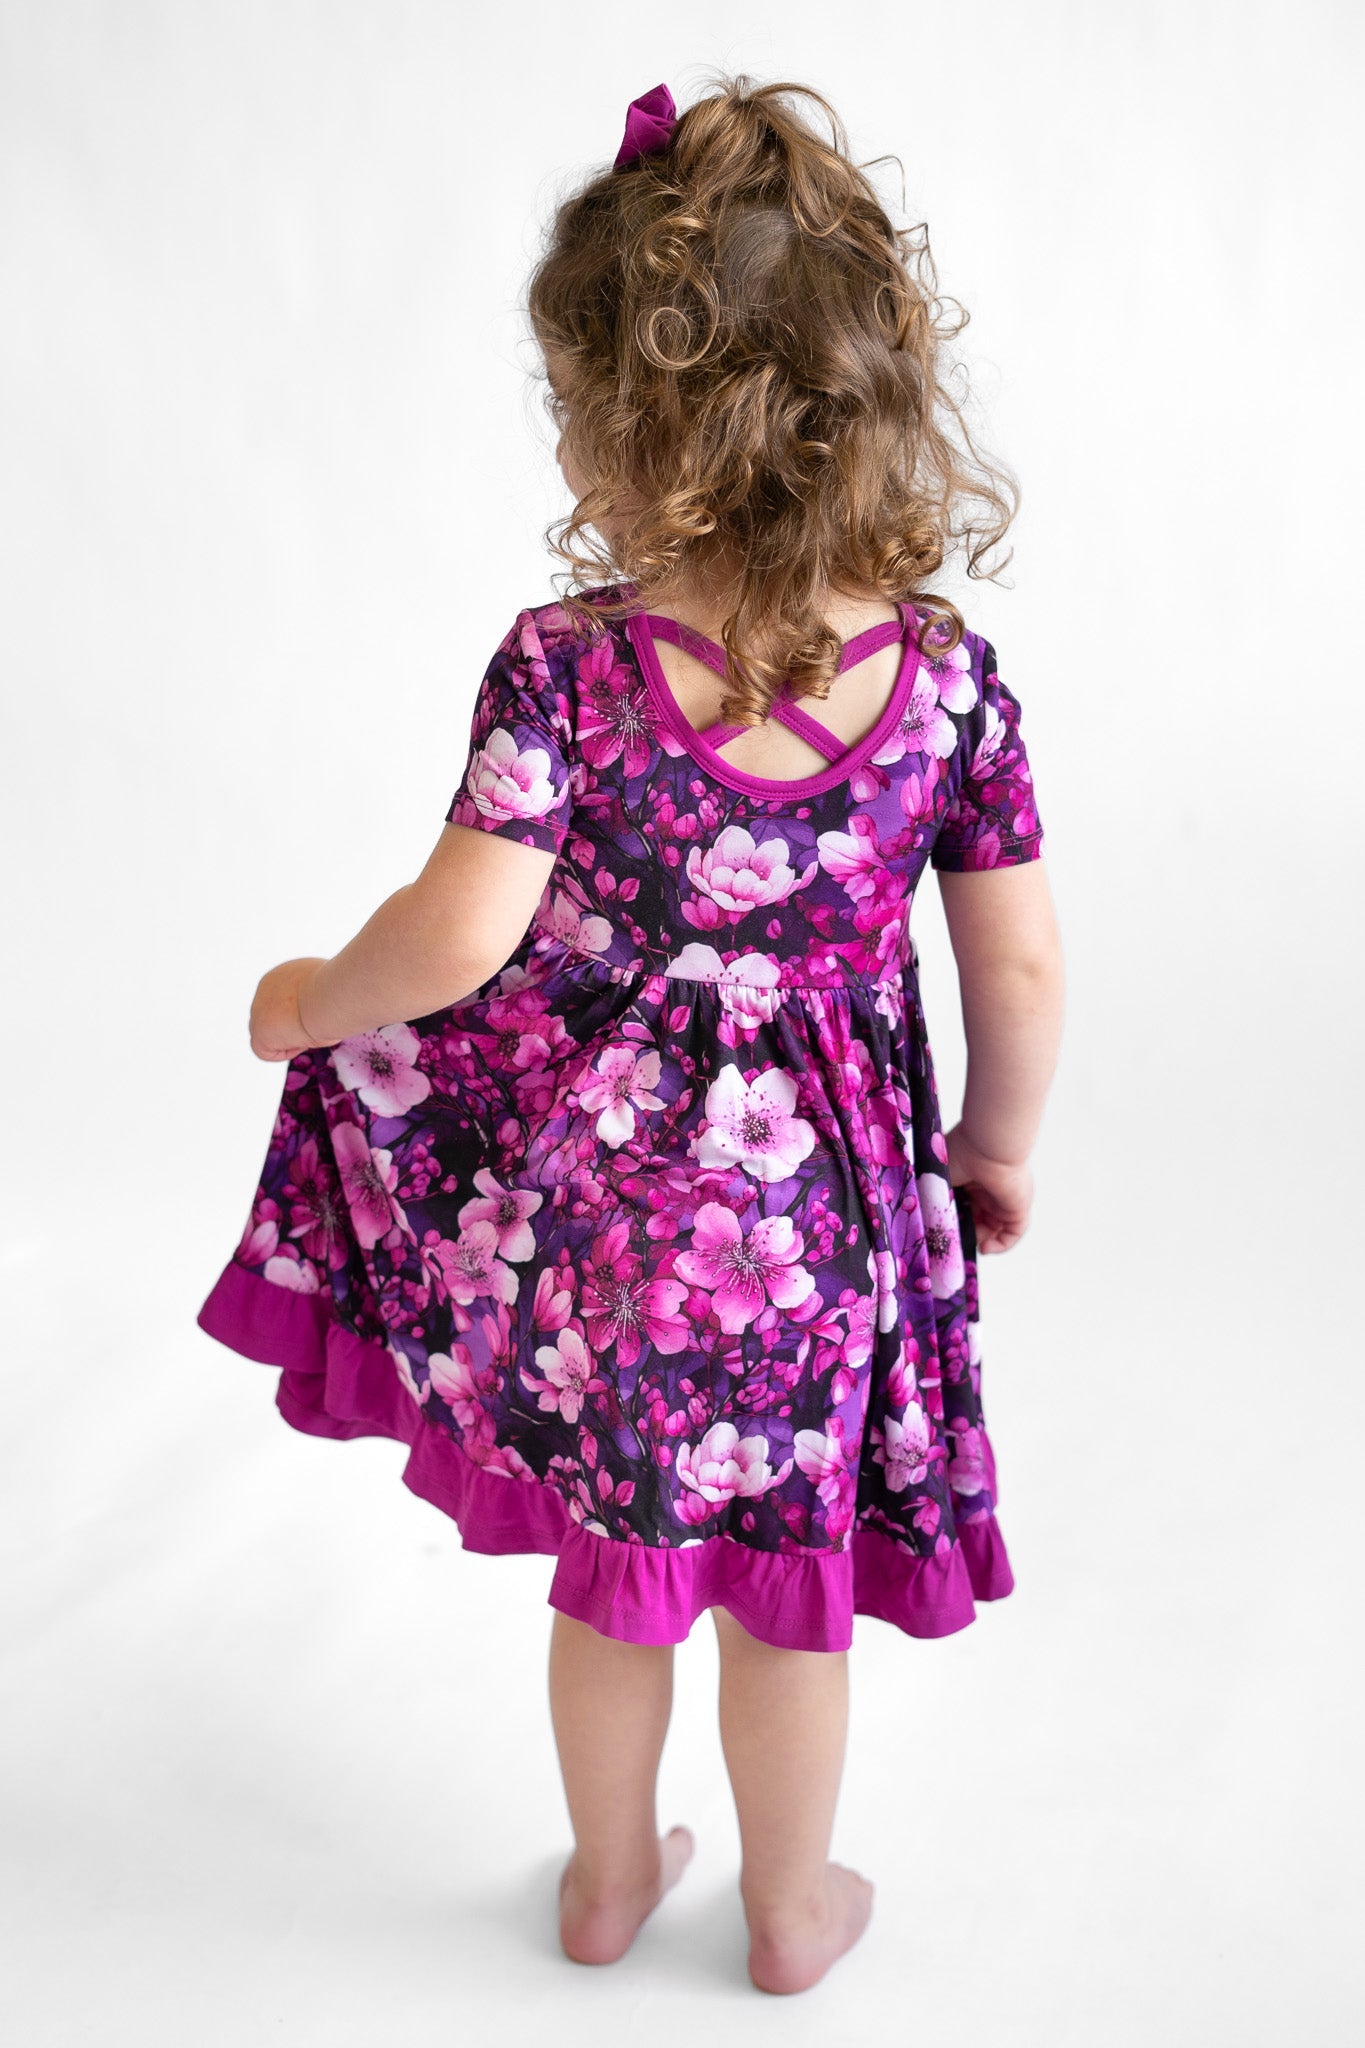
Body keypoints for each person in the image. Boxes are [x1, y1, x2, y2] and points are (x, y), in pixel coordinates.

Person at [197, 72, 1065, 1997]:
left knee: (623, 1580)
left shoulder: (568, 666)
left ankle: (604, 1882)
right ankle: (787, 1908)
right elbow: (1014, 971)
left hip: (601, 1224)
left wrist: (307, 1002)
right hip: (817, 1238)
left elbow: (456, 933)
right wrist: (991, 1148)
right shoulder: (949, 688)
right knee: (786, 1599)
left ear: (619, 421)